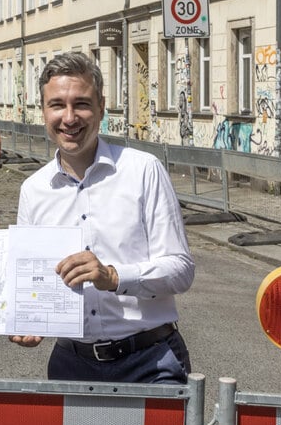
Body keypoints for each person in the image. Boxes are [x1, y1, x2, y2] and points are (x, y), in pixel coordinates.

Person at [10, 51, 194, 384]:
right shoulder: (33, 190)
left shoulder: (142, 170)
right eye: (57, 105)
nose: (69, 118)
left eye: (81, 104)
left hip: (150, 362)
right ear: (43, 111)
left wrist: (113, 277)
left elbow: (180, 271)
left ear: (101, 107)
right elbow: (30, 283)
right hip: (71, 365)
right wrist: (28, 320)